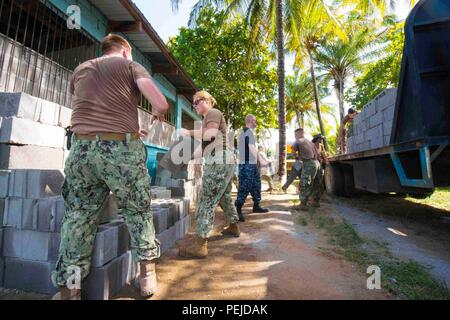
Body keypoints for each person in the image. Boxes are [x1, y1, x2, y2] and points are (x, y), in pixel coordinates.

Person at [51, 34, 169, 300]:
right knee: (137, 209)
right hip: (120, 152)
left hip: (81, 150)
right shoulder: (130, 66)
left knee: (78, 216)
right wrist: (158, 113)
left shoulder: (81, 68)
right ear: (126, 51)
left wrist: (124, 126)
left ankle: (70, 289)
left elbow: (93, 104)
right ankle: (147, 274)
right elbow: (161, 103)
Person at [178, 91, 240, 259]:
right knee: (224, 197)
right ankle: (233, 226)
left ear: (206, 101)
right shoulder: (207, 120)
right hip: (223, 159)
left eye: (196, 102)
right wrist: (188, 158)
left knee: (206, 199)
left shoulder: (213, 113)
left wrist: (188, 132)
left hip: (219, 160)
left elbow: (211, 135)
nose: (194, 106)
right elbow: (204, 148)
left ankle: (200, 244)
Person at [235, 115, 270, 222]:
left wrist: (257, 162)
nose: (256, 123)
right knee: (244, 186)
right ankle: (238, 209)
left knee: (256, 185)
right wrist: (262, 160)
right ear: (250, 121)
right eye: (255, 121)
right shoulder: (247, 132)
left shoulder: (248, 132)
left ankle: (256, 206)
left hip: (252, 164)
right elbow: (252, 149)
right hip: (246, 164)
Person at [295, 128, 322, 211]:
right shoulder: (311, 143)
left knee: (305, 182)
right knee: (317, 183)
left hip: (308, 163)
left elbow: (293, 154)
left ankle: (303, 204)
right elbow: (318, 154)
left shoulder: (298, 141)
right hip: (317, 163)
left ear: (298, 134)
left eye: (295, 135)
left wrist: (297, 158)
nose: (295, 136)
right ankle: (315, 201)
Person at [312, 134, 328, 200]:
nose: (321, 140)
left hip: (319, 165)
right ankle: (312, 196)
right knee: (313, 180)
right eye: (320, 139)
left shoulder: (321, 145)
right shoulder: (312, 145)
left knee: (320, 180)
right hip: (313, 164)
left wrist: (325, 159)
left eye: (322, 139)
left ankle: (320, 195)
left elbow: (322, 153)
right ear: (317, 139)